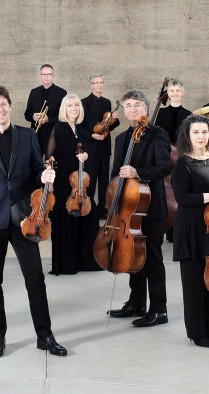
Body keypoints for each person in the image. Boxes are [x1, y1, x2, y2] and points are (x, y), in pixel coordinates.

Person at [0, 86, 67, 358]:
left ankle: (44, 335)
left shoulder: (27, 134)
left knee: (35, 278)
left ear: (10, 106)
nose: (0, 109)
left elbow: (36, 172)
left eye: (3, 104)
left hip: (25, 218)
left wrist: (44, 178)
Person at [107, 90, 172, 327]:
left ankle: (159, 309)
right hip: (127, 208)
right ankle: (136, 303)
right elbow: (115, 173)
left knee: (152, 258)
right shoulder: (121, 138)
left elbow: (165, 167)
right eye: (128, 106)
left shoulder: (157, 134)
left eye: (137, 105)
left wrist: (138, 173)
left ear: (145, 108)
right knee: (132, 256)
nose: (132, 110)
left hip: (150, 207)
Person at [172, 115, 209, 347]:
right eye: (196, 132)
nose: (201, 137)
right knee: (194, 284)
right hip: (192, 228)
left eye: (204, 132)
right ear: (188, 135)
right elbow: (182, 198)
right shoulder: (183, 163)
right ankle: (197, 333)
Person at [47, 94, 101, 275]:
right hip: (63, 181)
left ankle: (83, 260)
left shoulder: (79, 129)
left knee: (89, 217)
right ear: (65, 109)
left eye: (76, 106)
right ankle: (65, 264)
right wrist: (51, 182)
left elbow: (83, 152)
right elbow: (49, 157)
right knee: (64, 222)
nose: (74, 109)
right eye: (70, 106)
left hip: (77, 183)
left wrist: (85, 156)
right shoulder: (59, 127)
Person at [80, 73, 119, 219]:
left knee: (104, 180)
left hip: (104, 147)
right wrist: (91, 135)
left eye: (102, 82)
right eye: (96, 83)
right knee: (91, 179)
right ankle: (89, 206)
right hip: (90, 147)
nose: (99, 85)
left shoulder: (107, 103)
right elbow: (79, 126)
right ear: (92, 85)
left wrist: (114, 120)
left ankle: (102, 208)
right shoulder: (83, 103)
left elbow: (107, 127)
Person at [24, 64, 67, 157]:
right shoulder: (34, 92)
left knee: (52, 166)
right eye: (44, 74)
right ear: (40, 75)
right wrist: (33, 117)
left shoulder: (62, 93)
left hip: (53, 135)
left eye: (49, 74)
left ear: (53, 75)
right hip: (36, 136)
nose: (46, 77)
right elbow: (27, 114)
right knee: (36, 166)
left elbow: (64, 117)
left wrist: (49, 119)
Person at [154, 78, 192, 144]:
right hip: (164, 149)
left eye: (178, 91)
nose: (175, 93)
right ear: (168, 93)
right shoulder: (161, 112)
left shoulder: (188, 114)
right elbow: (157, 134)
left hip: (182, 150)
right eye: (172, 91)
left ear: (182, 93)